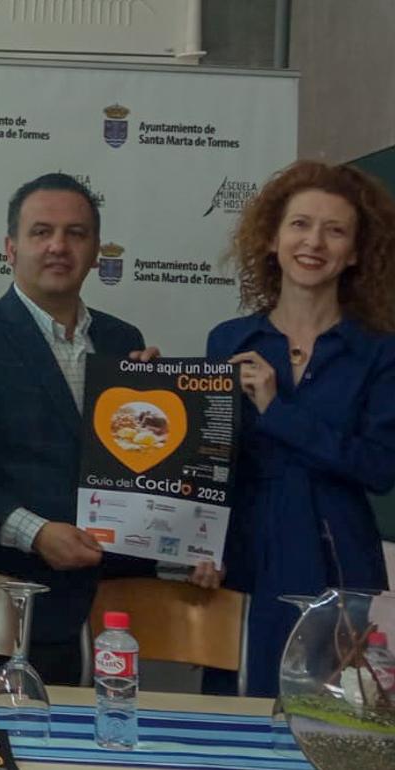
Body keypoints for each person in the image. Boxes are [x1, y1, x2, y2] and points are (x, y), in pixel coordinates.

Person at [0, 173, 156, 685]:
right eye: (41, 232)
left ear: (97, 251)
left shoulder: (124, 342)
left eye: (76, 233)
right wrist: (35, 533)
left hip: (110, 603)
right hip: (0, 600)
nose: (58, 246)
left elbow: (138, 458)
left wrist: (163, 397)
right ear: (10, 248)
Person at [200, 160, 395, 697]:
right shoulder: (229, 341)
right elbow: (212, 458)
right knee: (235, 709)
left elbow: (378, 468)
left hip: (336, 555)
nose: (314, 242)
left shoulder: (379, 351)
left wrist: (278, 409)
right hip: (244, 554)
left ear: (355, 253)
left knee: (329, 718)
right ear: (271, 238)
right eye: (300, 224)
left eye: (335, 231)